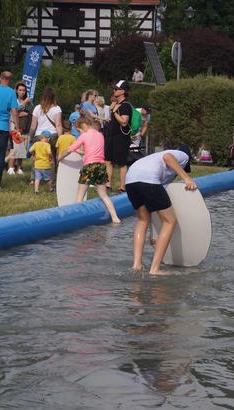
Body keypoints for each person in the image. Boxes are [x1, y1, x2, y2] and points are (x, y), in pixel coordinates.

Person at [125, 147, 197, 275]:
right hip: (147, 179)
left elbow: (154, 205)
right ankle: (155, 269)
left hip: (130, 180)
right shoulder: (183, 156)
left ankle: (136, 265)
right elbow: (168, 157)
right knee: (170, 221)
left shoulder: (153, 160)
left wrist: (153, 233)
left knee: (143, 220)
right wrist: (186, 178)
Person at [58, 117, 121, 223]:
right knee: (103, 194)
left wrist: (59, 158)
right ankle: (115, 217)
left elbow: (69, 150)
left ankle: (76, 220)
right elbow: (91, 151)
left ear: (83, 126)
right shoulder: (100, 135)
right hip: (100, 166)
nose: (79, 133)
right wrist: (79, 152)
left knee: (80, 194)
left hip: (89, 167)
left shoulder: (84, 136)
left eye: (79, 131)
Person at [104, 80, 133, 193]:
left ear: (123, 91)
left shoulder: (125, 106)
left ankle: (122, 187)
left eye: (116, 89)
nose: (114, 90)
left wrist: (115, 112)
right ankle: (108, 185)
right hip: (112, 135)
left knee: (121, 163)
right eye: (114, 89)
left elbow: (124, 122)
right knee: (108, 161)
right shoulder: (116, 104)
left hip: (121, 137)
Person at [7, 81, 33, 174]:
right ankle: (11, 167)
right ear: (16, 91)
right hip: (15, 125)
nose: (22, 92)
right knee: (14, 147)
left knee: (22, 147)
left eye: (24, 90)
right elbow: (13, 111)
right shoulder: (13, 100)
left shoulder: (29, 102)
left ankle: (19, 167)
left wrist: (23, 112)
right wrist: (21, 109)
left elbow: (31, 113)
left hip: (25, 126)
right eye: (20, 90)